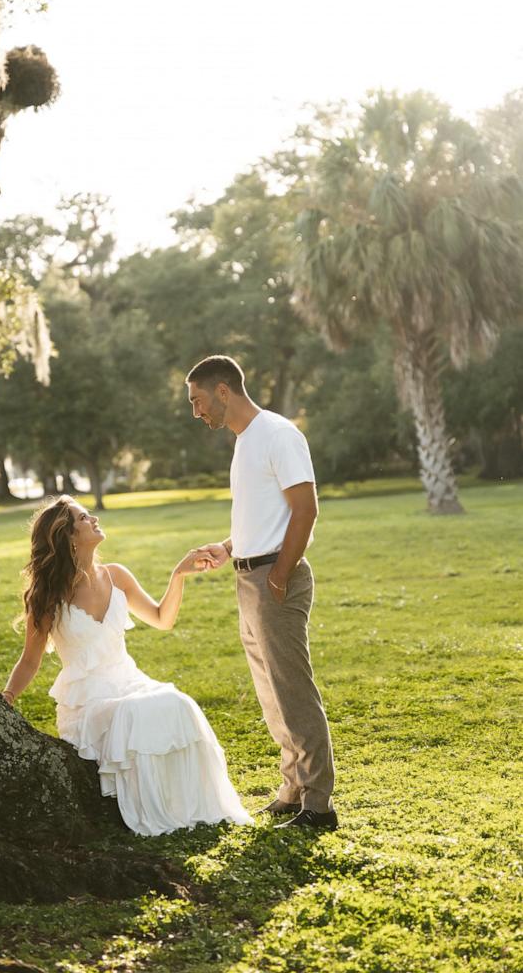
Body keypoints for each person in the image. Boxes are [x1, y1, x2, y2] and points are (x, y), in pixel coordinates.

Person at [1, 494, 252, 837]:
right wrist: (7, 697)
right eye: (84, 518)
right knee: (133, 713)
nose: (94, 520)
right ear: (68, 537)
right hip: (88, 703)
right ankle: (150, 812)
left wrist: (178, 574)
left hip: (130, 682)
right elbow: (30, 660)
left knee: (179, 704)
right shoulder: (48, 596)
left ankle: (185, 806)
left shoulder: (116, 576)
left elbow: (162, 619)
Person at [186, 354, 338, 831]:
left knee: (292, 690)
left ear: (223, 391)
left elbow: (305, 510)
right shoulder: (245, 441)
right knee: (271, 692)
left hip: (276, 578)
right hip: (249, 577)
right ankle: (293, 788)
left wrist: (279, 575)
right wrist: (229, 546)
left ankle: (319, 804)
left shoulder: (277, 434)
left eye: (197, 401)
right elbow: (264, 513)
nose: (196, 412)